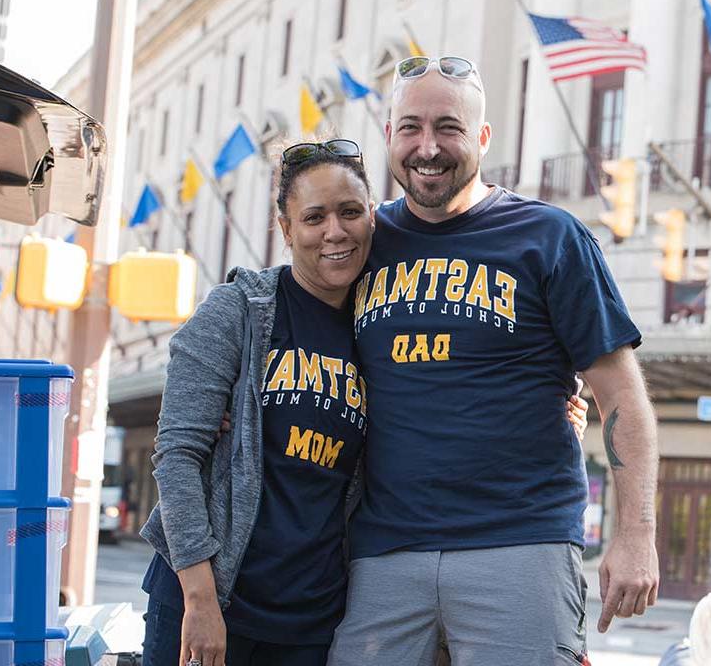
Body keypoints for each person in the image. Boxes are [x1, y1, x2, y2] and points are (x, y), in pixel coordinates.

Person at [139, 139, 589, 666]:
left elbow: (435, 401)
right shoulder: (241, 312)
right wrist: (200, 601)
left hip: (312, 618)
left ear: (372, 219)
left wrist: (549, 412)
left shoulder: (377, 324)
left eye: (350, 212)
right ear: (286, 230)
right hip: (212, 596)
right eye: (314, 217)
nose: (335, 231)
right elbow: (176, 456)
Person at [329, 56, 660, 666]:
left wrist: (636, 535)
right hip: (381, 553)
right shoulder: (360, 243)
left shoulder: (550, 236)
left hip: (520, 544)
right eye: (411, 127)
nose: (428, 147)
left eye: (448, 127)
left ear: (482, 138)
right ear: (389, 138)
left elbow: (621, 397)